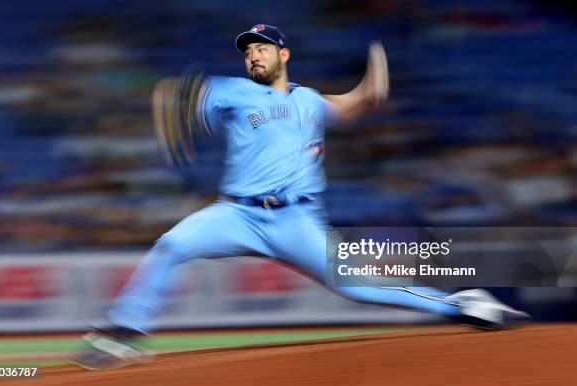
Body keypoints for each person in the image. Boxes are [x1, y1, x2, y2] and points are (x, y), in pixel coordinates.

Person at [74, 24, 529, 370]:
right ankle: (126, 333)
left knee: (359, 286)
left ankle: (469, 303)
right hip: (237, 213)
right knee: (172, 244)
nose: (253, 55)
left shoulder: (309, 100)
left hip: (297, 222)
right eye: (248, 50)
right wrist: (170, 116)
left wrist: (371, 88)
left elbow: (350, 103)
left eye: (262, 47)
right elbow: (174, 92)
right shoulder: (231, 90)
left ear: (283, 54)